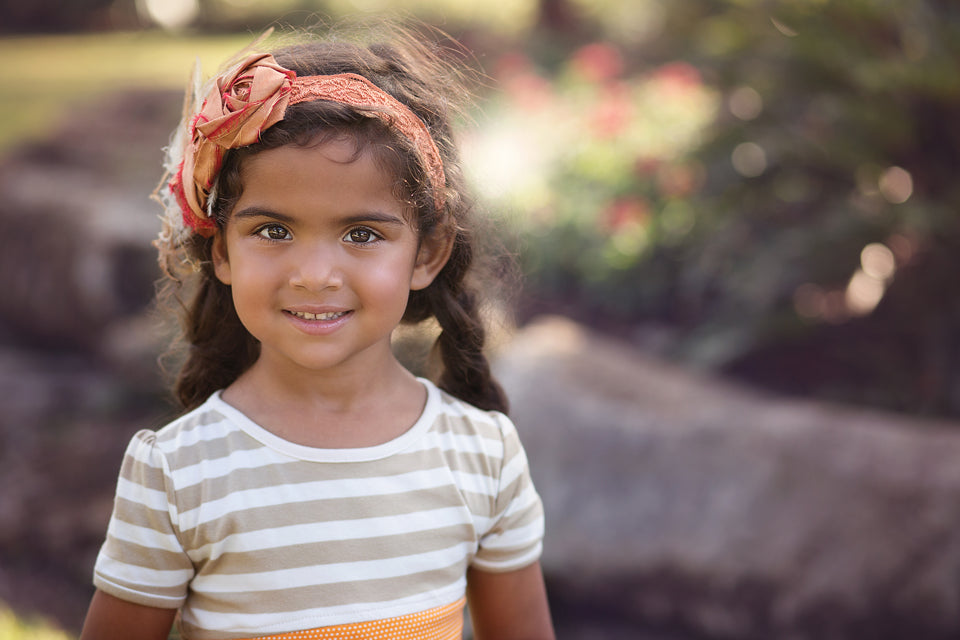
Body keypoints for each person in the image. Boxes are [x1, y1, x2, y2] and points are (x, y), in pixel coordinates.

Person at [80, 22, 554, 640]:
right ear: (221, 251)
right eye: (273, 230)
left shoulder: (484, 456)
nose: (314, 276)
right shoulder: (177, 474)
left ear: (427, 254)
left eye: (362, 234)